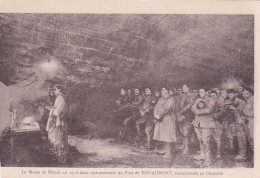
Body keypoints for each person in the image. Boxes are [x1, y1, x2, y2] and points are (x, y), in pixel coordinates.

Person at [191, 88, 215, 167]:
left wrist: (197, 111)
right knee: (200, 139)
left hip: (206, 124)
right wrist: (198, 111)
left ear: (206, 92)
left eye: (202, 91)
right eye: (199, 91)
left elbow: (209, 110)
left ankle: (208, 159)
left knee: (206, 141)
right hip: (197, 123)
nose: (200, 93)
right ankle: (202, 155)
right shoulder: (197, 99)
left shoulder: (211, 100)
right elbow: (192, 108)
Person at [46, 85, 68, 163]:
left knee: (59, 139)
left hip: (59, 123)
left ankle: (61, 158)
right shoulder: (58, 99)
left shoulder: (62, 99)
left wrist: (52, 109)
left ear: (60, 90)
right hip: (54, 122)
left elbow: (58, 112)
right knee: (53, 139)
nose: (54, 91)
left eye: (56, 89)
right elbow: (55, 110)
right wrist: (52, 109)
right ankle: (56, 156)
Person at [223, 89, 247, 161]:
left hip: (239, 121)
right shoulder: (227, 101)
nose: (229, 95)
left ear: (235, 94)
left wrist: (234, 108)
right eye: (228, 94)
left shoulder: (240, 101)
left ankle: (243, 155)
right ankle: (235, 154)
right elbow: (225, 112)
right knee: (232, 138)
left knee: (241, 138)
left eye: (231, 94)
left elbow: (243, 111)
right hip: (230, 122)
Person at [153, 87, 176, 159]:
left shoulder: (171, 99)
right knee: (161, 135)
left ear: (168, 91)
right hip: (159, 119)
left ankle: (169, 153)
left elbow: (167, 109)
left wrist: (159, 115)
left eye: (163, 90)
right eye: (161, 90)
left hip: (167, 119)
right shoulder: (161, 99)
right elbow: (156, 107)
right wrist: (155, 115)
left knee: (167, 136)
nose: (162, 91)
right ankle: (164, 150)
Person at [176, 84, 196, 155]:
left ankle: (186, 148)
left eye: (185, 88)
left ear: (188, 88)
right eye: (182, 88)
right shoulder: (181, 96)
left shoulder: (192, 95)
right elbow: (177, 104)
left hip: (188, 116)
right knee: (181, 131)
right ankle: (184, 145)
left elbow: (189, 105)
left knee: (186, 133)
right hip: (180, 115)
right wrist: (178, 112)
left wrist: (181, 111)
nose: (183, 89)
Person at [242, 87, 254, 152]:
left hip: (254, 121)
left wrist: (246, 113)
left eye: (246, 93)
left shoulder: (253, 99)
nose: (244, 95)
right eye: (243, 94)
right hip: (250, 121)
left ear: (251, 93)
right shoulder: (248, 100)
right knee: (252, 137)